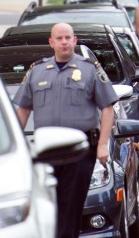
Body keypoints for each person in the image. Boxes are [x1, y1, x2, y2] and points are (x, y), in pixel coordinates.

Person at [13, 23, 117, 238]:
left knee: (70, 206)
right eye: (59, 38)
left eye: (68, 38)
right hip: (45, 151)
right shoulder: (37, 70)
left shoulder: (90, 69)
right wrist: (14, 147)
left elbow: (107, 108)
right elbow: (23, 110)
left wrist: (103, 144)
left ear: (74, 40)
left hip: (78, 151)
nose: (64, 42)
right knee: (45, 205)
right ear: (51, 43)